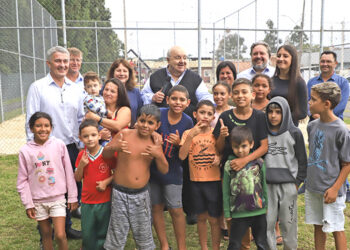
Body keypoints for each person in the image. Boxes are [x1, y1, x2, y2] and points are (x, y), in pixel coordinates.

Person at [25, 45, 83, 239]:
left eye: (65, 61)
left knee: (69, 189)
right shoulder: (38, 87)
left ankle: (65, 227)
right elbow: (30, 120)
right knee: (48, 189)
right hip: (47, 149)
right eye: (58, 61)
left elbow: (81, 118)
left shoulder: (76, 89)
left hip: (72, 147)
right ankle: (46, 233)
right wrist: (33, 149)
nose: (63, 65)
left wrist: (83, 144)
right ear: (49, 63)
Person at [103, 104, 169, 250]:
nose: (145, 125)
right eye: (142, 121)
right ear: (136, 121)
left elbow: (164, 169)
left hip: (141, 195)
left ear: (157, 125)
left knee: (143, 232)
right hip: (120, 193)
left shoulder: (155, 141)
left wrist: (158, 155)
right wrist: (114, 147)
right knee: (117, 231)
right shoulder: (124, 135)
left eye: (150, 123)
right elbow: (105, 155)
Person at [213, 78, 268, 248]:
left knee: (257, 222)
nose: (240, 96)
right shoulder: (225, 117)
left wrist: (244, 160)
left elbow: (264, 146)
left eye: (244, 92)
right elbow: (219, 149)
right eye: (236, 92)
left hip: (254, 174)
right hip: (231, 172)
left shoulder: (259, 116)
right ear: (231, 95)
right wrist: (222, 136)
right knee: (237, 226)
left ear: (252, 94)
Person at [17, 112, 78, 250]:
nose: (43, 129)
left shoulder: (59, 145)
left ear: (51, 128)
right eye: (38, 126)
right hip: (38, 201)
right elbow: (22, 180)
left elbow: (69, 171)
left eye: (46, 125)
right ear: (31, 128)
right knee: (46, 233)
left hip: (58, 199)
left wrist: (73, 196)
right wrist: (28, 204)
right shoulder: (25, 151)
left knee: (60, 235)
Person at [306, 82, 350, 250]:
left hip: (331, 190)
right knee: (318, 226)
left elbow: (347, 164)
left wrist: (334, 189)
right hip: (313, 187)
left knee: (336, 228)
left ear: (326, 104)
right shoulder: (312, 126)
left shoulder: (341, 130)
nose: (309, 102)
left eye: (313, 99)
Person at [150, 85, 193, 250]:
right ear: (167, 99)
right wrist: (153, 133)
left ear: (188, 103)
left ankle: (181, 246)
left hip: (173, 172)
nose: (177, 102)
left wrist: (179, 142)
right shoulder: (159, 113)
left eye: (182, 99)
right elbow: (144, 126)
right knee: (156, 207)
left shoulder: (188, 121)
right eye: (174, 98)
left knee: (176, 210)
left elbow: (185, 152)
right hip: (153, 171)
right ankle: (164, 244)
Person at [306, 51, 350, 202]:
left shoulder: (343, 82)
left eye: (328, 61)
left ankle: (342, 187)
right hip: (318, 121)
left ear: (335, 63)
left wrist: (325, 115)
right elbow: (308, 104)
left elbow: (340, 105)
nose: (324, 63)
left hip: (332, 123)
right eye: (322, 60)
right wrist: (318, 117)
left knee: (335, 158)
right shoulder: (311, 82)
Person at [264, 97, 307, 250]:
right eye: (270, 111)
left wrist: (297, 183)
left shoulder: (294, 132)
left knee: (289, 223)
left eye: (278, 112)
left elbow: (302, 161)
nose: (273, 115)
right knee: (267, 223)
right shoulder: (262, 132)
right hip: (267, 186)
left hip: (289, 186)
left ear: (286, 113)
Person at [179, 100, 222, 250]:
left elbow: (223, 152)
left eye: (209, 114)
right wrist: (191, 136)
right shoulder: (187, 133)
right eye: (202, 112)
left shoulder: (215, 134)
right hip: (195, 181)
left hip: (214, 181)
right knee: (201, 218)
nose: (205, 116)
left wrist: (220, 158)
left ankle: (215, 247)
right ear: (195, 114)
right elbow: (182, 156)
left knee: (214, 219)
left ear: (213, 117)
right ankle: (204, 247)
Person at [222, 126, 268, 250]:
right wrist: (227, 212)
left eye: (244, 146)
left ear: (251, 144)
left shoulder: (259, 163)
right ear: (232, 146)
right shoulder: (229, 165)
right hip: (238, 214)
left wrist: (267, 206)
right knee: (235, 244)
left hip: (259, 212)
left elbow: (264, 185)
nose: (240, 150)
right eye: (236, 147)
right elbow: (225, 190)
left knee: (262, 242)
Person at [141, 45, 213, 120]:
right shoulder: (155, 77)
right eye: (178, 58)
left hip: (188, 126)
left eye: (184, 58)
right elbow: (142, 96)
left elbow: (205, 98)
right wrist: (152, 97)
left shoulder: (195, 79)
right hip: (160, 126)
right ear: (168, 60)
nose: (182, 61)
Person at [74, 119, 115, 250]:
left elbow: (118, 173)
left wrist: (106, 182)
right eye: (85, 136)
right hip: (87, 201)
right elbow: (77, 178)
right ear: (80, 138)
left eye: (93, 135)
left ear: (99, 135)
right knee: (87, 232)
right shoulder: (82, 155)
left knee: (103, 231)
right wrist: (81, 165)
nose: (90, 139)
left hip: (105, 200)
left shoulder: (106, 153)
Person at [270, 44, 308, 126]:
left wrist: (281, 118)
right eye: (279, 56)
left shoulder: (299, 83)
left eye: (285, 56)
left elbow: (303, 112)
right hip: (270, 128)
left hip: (289, 130)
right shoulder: (270, 81)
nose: (281, 59)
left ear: (292, 59)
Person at [107, 58, 143, 127]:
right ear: (113, 73)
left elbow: (140, 113)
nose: (121, 73)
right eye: (118, 71)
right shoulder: (105, 91)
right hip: (109, 132)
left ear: (129, 73)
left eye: (125, 71)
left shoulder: (135, 92)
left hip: (131, 132)